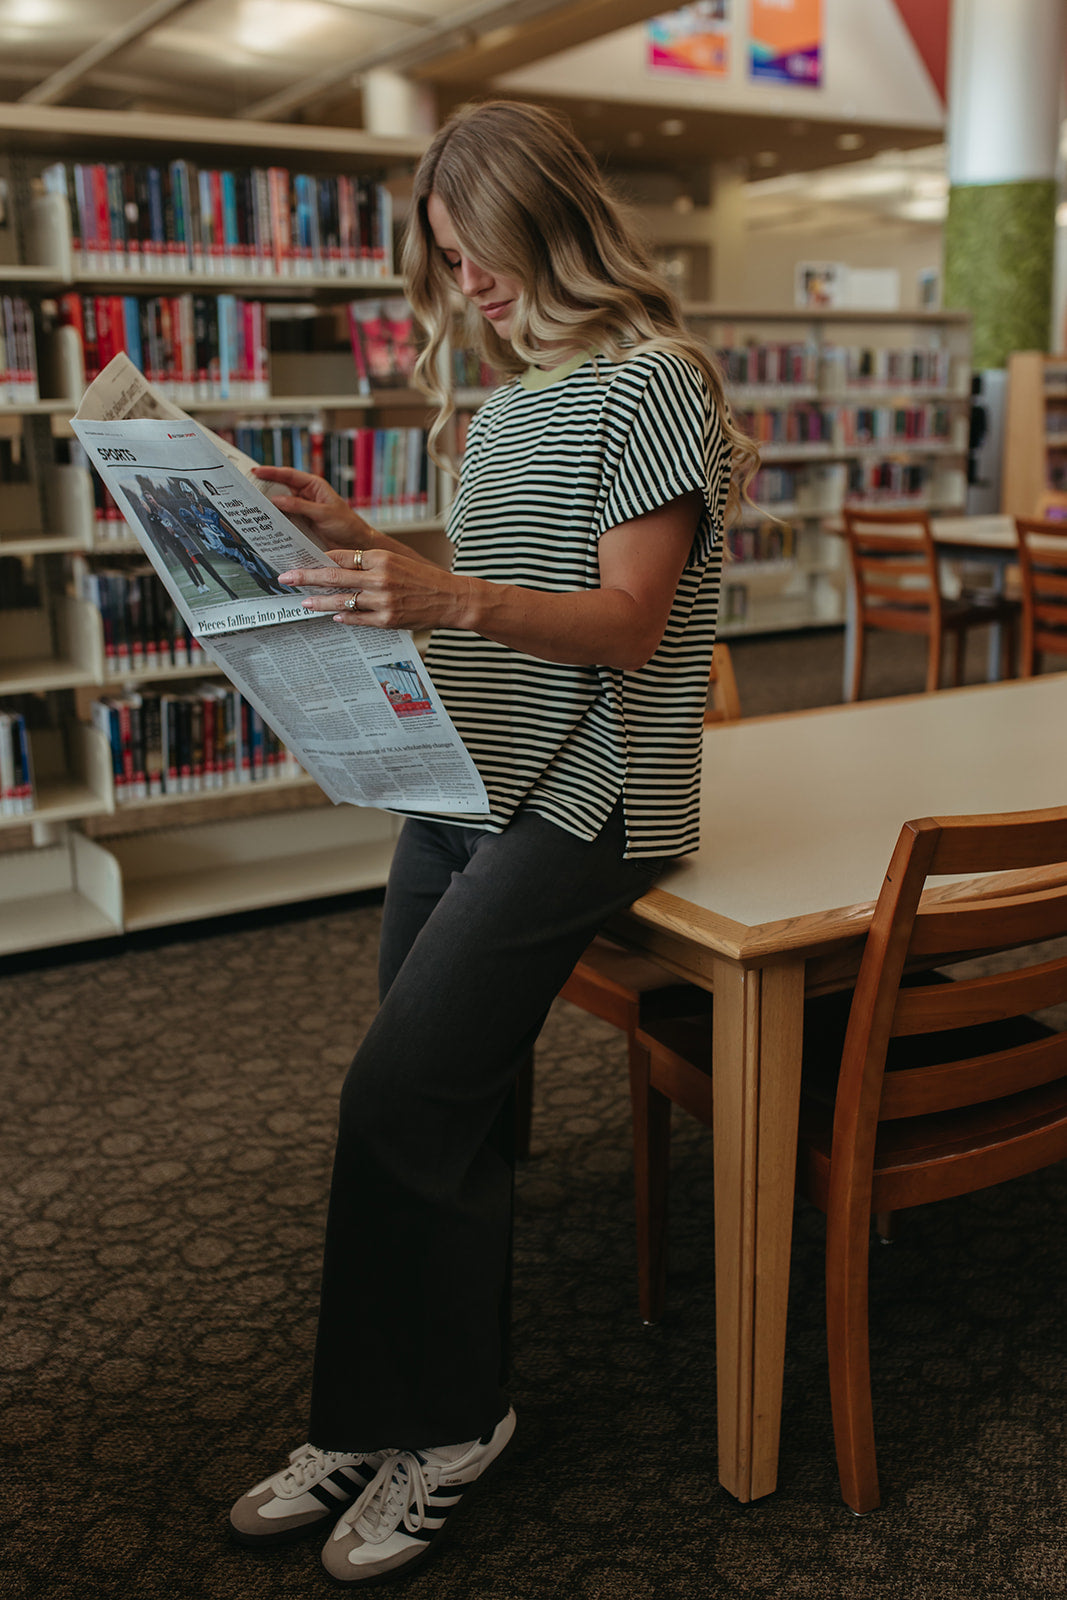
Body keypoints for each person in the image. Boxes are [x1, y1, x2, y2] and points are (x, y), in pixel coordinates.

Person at [227, 99, 757, 1586]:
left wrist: (433, 597)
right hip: (478, 771)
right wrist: (376, 540)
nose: (470, 286)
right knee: (431, 1096)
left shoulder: (656, 384)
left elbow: (630, 624)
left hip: (596, 793)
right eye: (451, 263)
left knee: (399, 1093)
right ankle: (371, 1415)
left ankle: (455, 1426)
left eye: (481, 253)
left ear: (547, 217)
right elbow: (506, 582)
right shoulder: (505, 404)